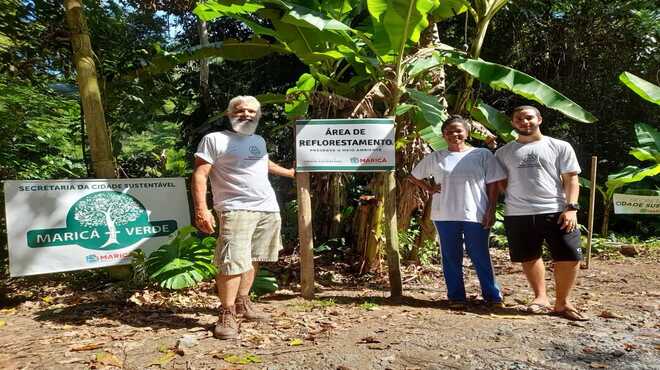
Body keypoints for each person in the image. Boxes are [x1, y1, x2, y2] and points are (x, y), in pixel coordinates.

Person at [191, 95, 295, 339]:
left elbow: (264, 163)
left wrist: (290, 173)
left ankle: (242, 302)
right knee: (232, 260)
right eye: (241, 110)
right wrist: (201, 209)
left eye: (252, 111)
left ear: (258, 116)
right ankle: (226, 312)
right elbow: (199, 174)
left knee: (253, 257)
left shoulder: (258, 140)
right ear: (229, 114)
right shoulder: (214, 139)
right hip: (235, 207)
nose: (246, 114)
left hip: (267, 207)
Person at [495, 105, 587, 321]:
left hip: (556, 210)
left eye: (528, 118)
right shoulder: (503, 152)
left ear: (539, 119)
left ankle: (562, 302)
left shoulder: (559, 146)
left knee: (569, 255)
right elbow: (500, 182)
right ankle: (540, 297)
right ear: (513, 123)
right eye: (519, 119)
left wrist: (571, 208)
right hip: (518, 213)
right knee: (529, 255)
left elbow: (571, 179)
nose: (524, 122)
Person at [410, 115, 505, 308]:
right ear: (443, 135)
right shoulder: (436, 156)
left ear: (467, 133)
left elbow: (494, 183)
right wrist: (428, 188)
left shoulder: (482, 155)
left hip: (476, 212)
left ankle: (493, 296)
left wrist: (491, 209)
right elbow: (413, 176)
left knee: (479, 254)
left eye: (458, 130)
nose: (454, 134)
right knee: (450, 255)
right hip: (444, 213)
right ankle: (456, 297)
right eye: (449, 132)